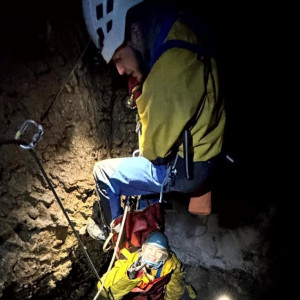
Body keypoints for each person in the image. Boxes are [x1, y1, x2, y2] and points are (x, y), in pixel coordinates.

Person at [82, 0, 226, 239]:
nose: (119, 70)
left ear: (136, 31)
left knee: (103, 173)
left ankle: (117, 234)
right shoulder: (178, 29)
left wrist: (142, 95)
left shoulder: (167, 76)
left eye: (118, 57)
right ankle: (192, 217)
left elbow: (153, 152)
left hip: (190, 168)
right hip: (212, 146)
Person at [96, 231, 186, 300]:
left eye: (159, 252)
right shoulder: (128, 259)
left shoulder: (171, 264)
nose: (153, 254)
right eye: (150, 248)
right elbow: (104, 291)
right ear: (143, 249)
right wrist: (129, 278)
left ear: (164, 256)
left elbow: (175, 288)